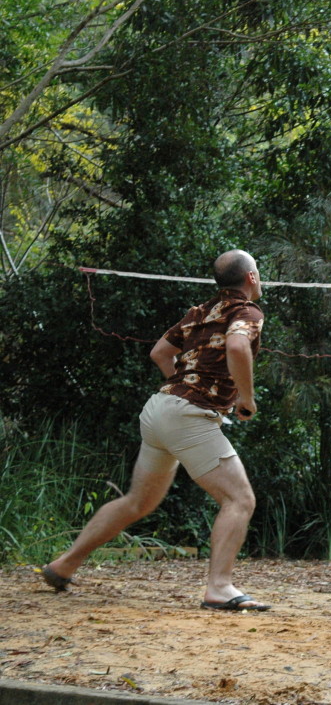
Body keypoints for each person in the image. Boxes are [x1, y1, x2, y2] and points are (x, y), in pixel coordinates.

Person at [40, 250, 271, 612]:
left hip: (160, 409)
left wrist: (181, 387)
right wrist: (246, 398)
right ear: (251, 278)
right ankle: (219, 588)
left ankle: (63, 565)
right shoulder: (247, 312)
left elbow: (160, 353)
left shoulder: (199, 312)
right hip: (187, 417)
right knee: (239, 499)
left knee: (139, 501)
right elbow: (238, 344)